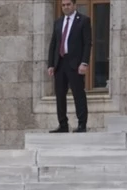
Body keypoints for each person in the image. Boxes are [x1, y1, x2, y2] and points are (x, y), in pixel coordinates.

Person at [47, 0, 92, 133]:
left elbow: (87, 43)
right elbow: (53, 44)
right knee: (60, 95)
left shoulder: (83, 20)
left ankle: (82, 124)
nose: (66, 7)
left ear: (74, 5)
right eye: (63, 5)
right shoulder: (58, 22)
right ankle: (63, 125)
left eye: (68, 4)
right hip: (60, 63)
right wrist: (51, 64)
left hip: (75, 64)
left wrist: (84, 62)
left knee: (78, 94)